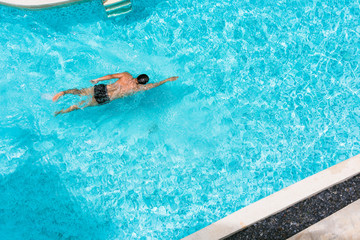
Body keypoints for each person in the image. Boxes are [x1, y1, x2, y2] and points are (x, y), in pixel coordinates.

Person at [52, 72, 178, 116]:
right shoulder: (138, 89)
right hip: (106, 98)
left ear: (137, 76)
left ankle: (63, 92)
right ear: (142, 83)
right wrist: (167, 79)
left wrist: (98, 79)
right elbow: (155, 85)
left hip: (103, 88)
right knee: (80, 105)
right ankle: (61, 112)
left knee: (80, 92)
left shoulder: (126, 75)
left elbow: (111, 76)